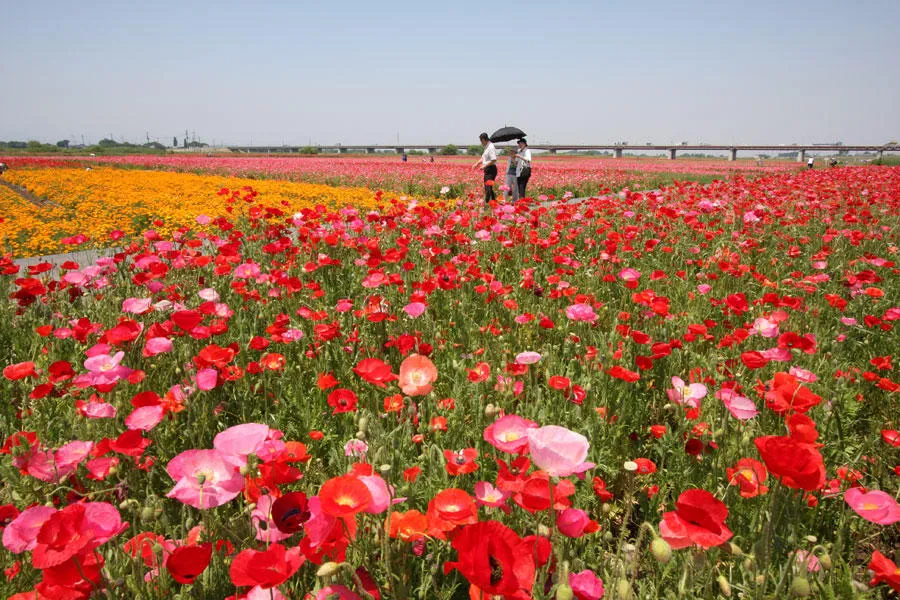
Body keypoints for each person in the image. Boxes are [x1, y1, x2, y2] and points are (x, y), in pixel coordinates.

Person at [472, 132, 497, 201]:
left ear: (483, 140)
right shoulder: (487, 147)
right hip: (488, 169)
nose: (481, 143)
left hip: (491, 169)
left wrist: (484, 166)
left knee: (488, 187)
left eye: (481, 141)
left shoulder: (491, 147)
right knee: (489, 187)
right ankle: (493, 202)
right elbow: (483, 158)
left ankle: (487, 202)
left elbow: (494, 160)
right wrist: (476, 164)